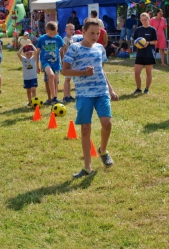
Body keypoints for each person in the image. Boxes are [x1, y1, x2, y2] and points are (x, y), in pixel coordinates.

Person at [62, 18, 119, 178]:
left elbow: (101, 70)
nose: (95, 36)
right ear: (83, 32)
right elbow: (64, 71)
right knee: (86, 129)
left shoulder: (100, 48)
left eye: (98, 33)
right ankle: (87, 167)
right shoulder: (74, 48)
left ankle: (103, 150)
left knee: (107, 123)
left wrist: (111, 90)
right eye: (92, 33)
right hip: (84, 94)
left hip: (101, 92)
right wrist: (83, 73)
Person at [36, 21, 65, 105]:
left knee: (55, 81)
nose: (53, 35)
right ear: (46, 30)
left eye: (54, 33)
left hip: (56, 62)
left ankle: (54, 98)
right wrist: (37, 65)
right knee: (51, 76)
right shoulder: (42, 38)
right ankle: (53, 97)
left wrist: (60, 52)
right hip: (46, 61)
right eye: (51, 33)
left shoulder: (58, 38)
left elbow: (64, 46)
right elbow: (37, 52)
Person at [131, 12, 157, 95]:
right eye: (142, 20)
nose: (143, 21)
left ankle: (147, 89)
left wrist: (148, 43)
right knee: (136, 72)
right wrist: (136, 43)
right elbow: (135, 40)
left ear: (148, 19)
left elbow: (155, 41)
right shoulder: (138, 29)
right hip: (140, 54)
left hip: (149, 53)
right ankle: (138, 88)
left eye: (145, 20)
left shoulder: (152, 30)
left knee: (148, 72)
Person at [62, 23, 75, 102]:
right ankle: (65, 96)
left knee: (69, 79)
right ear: (66, 30)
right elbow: (63, 50)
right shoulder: (65, 39)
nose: (71, 31)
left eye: (72, 29)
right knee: (67, 79)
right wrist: (64, 60)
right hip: (67, 61)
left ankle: (68, 95)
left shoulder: (72, 39)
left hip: (71, 61)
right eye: (70, 29)